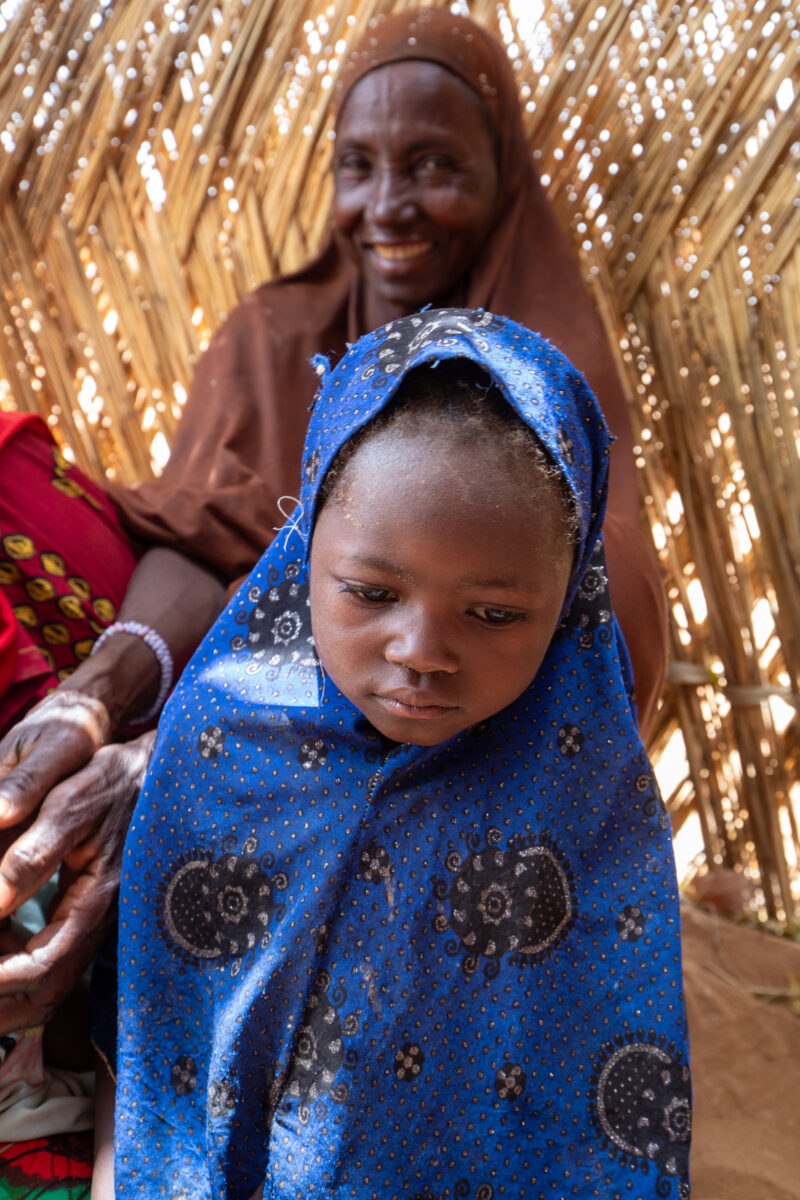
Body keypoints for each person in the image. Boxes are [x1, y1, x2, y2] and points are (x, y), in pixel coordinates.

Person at [0, 9, 667, 1039]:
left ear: (504, 183)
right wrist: (98, 699)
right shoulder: (276, 332)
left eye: (434, 164)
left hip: (437, 748)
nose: (387, 206)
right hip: (237, 694)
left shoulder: (540, 388)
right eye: (358, 165)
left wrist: (193, 756)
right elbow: (201, 533)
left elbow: (577, 632)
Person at [106, 308, 690, 1200]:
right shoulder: (220, 743)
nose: (422, 650)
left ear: (569, 599)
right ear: (304, 554)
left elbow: (592, 1085)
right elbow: (167, 1029)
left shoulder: (585, 802)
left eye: (494, 614)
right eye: (372, 592)